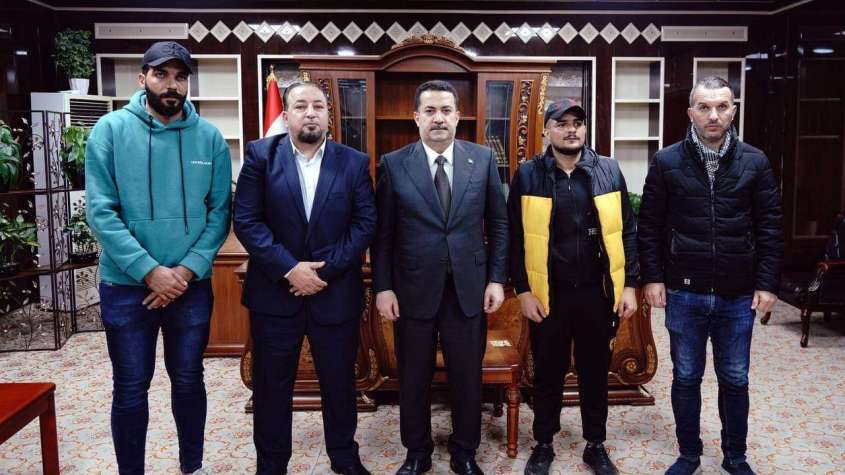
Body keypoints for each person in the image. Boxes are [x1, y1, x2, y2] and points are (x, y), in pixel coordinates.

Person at [86, 41, 231, 475]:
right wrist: (150, 272)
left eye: (180, 77)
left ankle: (192, 467)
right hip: (126, 287)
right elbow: (101, 212)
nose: (172, 85)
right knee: (131, 387)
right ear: (142, 78)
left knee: (188, 379)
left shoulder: (209, 137)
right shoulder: (110, 130)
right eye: (161, 74)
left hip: (190, 286)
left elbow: (220, 213)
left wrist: (184, 271)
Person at [638, 76, 783, 475]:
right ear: (691, 113)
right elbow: (648, 225)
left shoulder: (755, 161)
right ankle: (689, 454)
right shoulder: (667, 161)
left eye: (722, 106)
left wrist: (767, 283)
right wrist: (652, 277)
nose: (713, 115)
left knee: (735, 378)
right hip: (684, 291)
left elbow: (770, 226)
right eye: (704, 107)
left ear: (733, 111)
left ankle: (735, 456)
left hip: (738, 293)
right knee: (686, 377)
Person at [233, 81, 376, 475]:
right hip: (275, 295)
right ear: (286, 115)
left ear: (329, 115)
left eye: (318, 106)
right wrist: (290, 269)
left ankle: (344, 457)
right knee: (271, 386)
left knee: (339, 383)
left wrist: (322, 271)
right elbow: (246, 220)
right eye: (300, 106)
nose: (310, 112)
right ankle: (271, 464)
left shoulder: (353, 162)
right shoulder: (261, 156)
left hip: (335, 293)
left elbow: (365, 224)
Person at [372, 80, 508, 475]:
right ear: (416, 117)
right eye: (430, 111)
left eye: (446, 110)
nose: (438, 118)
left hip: (468, 289)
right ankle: (417, 452)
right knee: (413, 376)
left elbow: (499, 225)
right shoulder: (394, 164)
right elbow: (383, 235)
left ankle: (465, 452)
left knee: (467, 376)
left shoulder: (482, 159)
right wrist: (383, 287)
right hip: (412, 289)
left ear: (458, 116)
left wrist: (496, 279)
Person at [508, 99, 638, 475]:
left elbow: (627, 230)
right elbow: (514, 237)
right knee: (547, 372)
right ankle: (544, 443)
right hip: (548, 294)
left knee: (595, 372)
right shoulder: (529, 174)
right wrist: (523, 290)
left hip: (597, 293)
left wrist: (630, 285)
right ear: (547, 129)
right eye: (562, 123)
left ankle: (595, 444)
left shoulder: (608, 169)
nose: (571, 130)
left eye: (577, 123)